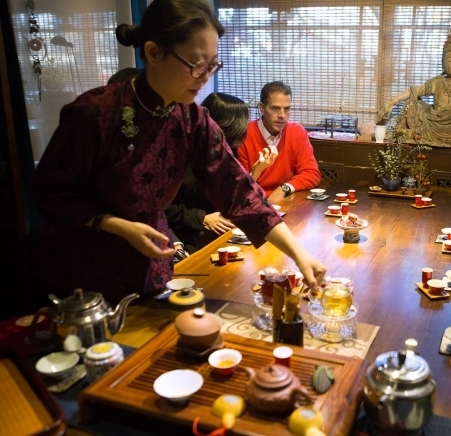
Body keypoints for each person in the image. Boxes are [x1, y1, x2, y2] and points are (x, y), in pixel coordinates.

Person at [30, 0, 326, 305]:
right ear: (154, 53)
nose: (205, 77)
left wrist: (299, 255)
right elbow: (49, 192)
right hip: (86, 275)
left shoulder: (191, 120)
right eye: (197, 64)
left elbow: (240, 191)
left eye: (212, 65)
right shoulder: (95, 113)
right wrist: (114, 224)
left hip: (154, 268)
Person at [165, 92, 249, 253]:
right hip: (179, 236)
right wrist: (201, 218)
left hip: (216, 231)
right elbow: (161, 208)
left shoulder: (227, 149)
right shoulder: (178, 154)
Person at [376, 28, 451, 147]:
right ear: (443, 63)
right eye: (449, 60)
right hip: (429, 120)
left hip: (449, 129)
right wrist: (391, 102)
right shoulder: (437, 82)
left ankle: (405, 134)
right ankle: (402, 133)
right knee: (411, 104)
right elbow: (414, 90)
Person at [237, 81, 321, 200]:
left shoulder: (297, 131)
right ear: (262, 107)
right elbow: (239, 187)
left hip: (287, 199)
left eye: (286, 109)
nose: (282, 115)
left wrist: (285, 189)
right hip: (253, 202)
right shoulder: (243, 134)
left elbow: (311, 173)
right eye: (276, 109)